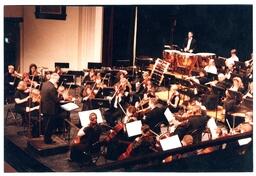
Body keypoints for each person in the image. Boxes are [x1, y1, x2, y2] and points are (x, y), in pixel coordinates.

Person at [40, 73, 61, 144]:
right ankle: (48, 140)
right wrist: (60, 96)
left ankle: (46, 139)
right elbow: (56, 100)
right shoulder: (52, 87)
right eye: (57, 80)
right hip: (50, 109)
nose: (57, 81)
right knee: (49, 126)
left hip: (44, 107)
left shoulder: (44, 84)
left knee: (46, 124)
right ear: (54, 79)